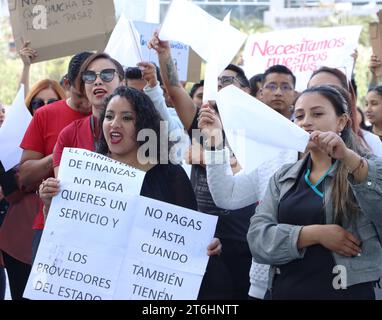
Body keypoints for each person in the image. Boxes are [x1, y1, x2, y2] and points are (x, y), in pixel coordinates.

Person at [39, 86, 224, 299]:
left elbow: (190, 238)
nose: (114, 123)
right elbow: (61, 237)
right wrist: (50, 204)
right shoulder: (84, 173)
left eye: (127, 118)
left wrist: (208, 246)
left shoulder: (170, 176)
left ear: (143, 125)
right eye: (109, 116)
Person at [248, 85, 382, 300]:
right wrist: (314, 234)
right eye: (299, 116)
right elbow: (257, 240)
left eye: (317, 114)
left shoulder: (369, 168)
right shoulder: (283, 176)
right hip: (285, 291)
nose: (306, 122)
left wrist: (347, 157)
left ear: (342, 121)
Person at [149, 32, 253, 299]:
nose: (220, 87)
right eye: (216, 83)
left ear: (246, 91)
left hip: (244, 242)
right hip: (202, 240)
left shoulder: (256, 131)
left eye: (228, 81)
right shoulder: (201, 125)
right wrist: (164, 54)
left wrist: (207, 157)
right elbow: (173, 89)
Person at [198, 64, 298, 300]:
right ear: (260, 92)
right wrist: (215, 142)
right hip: (263, 284)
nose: (278, 92)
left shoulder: (343, 164)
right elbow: (228, 196)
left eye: (286, 87)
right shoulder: (271, 153)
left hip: (316, 284)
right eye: (271, 86)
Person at [308, 66, 382, 157]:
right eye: (312, 90)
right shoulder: (293, 148)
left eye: (330, 90)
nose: (319, 96)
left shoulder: (371, 142)